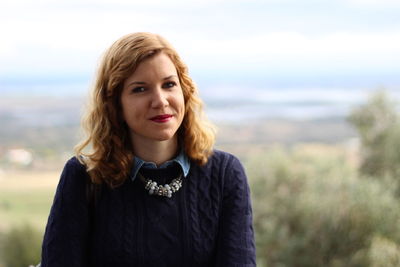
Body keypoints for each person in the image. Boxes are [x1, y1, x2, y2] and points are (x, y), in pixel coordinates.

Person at [41, 32, 256, 266]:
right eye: (140, 89)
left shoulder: (224, 174)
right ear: (115, 104)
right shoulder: (85, 177)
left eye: (169, 84)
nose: (160, 100)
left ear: (184, 91)